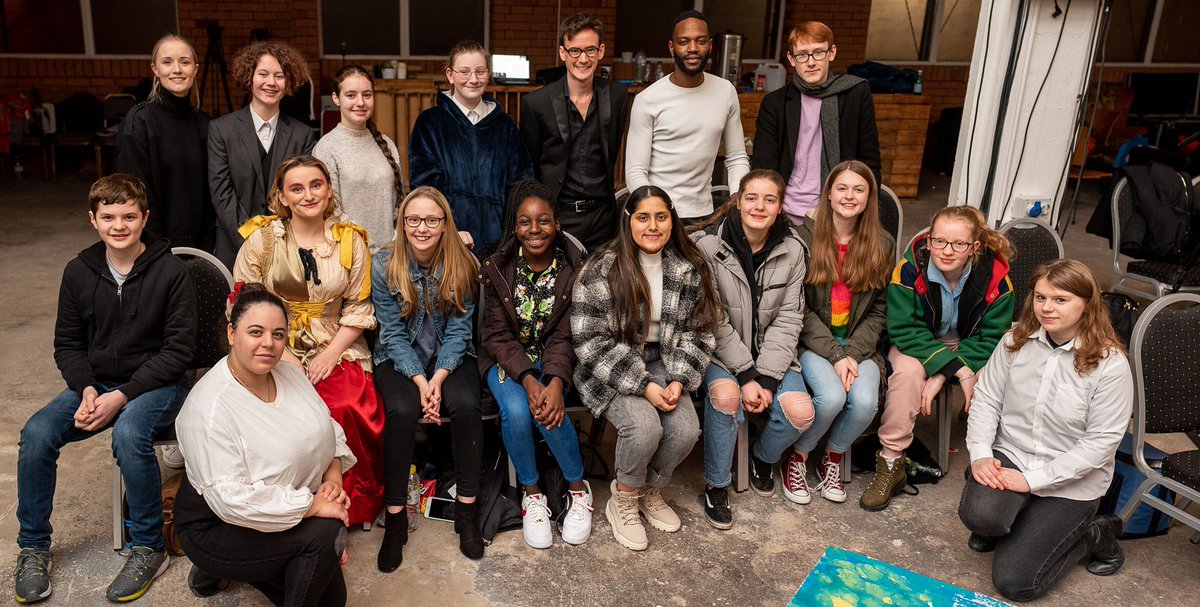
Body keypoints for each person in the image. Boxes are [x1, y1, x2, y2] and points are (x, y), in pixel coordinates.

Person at [15, 174, 196, 604]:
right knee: (37, 435)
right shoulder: (79, 271)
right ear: (93, 220)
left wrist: (122, 395)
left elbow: (179, 352)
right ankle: (34, 547)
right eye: (109, 216)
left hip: (160, 384)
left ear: (144, 218)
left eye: (129, 216)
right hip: (97, 385)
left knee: (129, 433)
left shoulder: (171, 271)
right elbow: (68, 344)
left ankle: (149, 547)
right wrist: (89, 390)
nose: (119, 225)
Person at [959, 259, 1131, 602]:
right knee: (979, 516)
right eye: (1040, 297)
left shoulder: (1110, 365)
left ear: (1087, 303)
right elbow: (987, 400)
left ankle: (1094, 534)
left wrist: (1031, 482)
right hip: (1013, 455)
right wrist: (980, 455)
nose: (1047, 308)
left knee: (1016, 583)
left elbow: (1100, 445)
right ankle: (1009, 520)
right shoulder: (1015, 341)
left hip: (1071, 480)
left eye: (1060, 299)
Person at [174, 283, 356, 606]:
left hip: (277, 503)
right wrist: (314, 506)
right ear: (232, 333)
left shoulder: (288, 373)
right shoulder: (209, 407)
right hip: (216, 524)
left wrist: (332, 479)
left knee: (333, 600)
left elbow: (326, 428)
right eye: (255, 332)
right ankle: (212, 564)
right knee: (326, 536)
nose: (268, 344)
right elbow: (232, 500)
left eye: (278, 334)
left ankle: (232, 572)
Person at [233, 155, 383, 529]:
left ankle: (347, 505)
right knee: (273, 414)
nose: (308, 195)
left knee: (346, 404)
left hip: (336, 339)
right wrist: (282, 353)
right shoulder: (262, 239)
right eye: (296, 188)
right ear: (282, 197)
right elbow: (242, 304)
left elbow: (359, 308)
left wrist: (331, 354)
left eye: (316, 185)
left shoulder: (350, 239)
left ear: (329, 189)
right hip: (271, 342)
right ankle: (289, 505)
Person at [572, 185, 721, 551]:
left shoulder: (689, 268)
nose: (652, 226)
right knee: (643, 427)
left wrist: (679, 379)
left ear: (672, 219)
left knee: (686, 429)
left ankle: (647, 490)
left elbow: (700, 330)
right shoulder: (601, 269)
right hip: (612, 366)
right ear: (628, 221)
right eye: (643, 217)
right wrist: (642, 384)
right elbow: (589, 340)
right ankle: (623, 498)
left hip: (667, 361)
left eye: (661, 216)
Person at [753, 160, 894, 506]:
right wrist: (835, 353)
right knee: (830, 398)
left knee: (864, 402)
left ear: (869, 198)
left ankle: (832, 457)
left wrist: (852, 353)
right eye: (842, 188)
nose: (849, 196)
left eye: (858, 189)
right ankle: (797, 458)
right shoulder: (802, 239)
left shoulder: (883, 244)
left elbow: (879, 310)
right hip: (813, 343)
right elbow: (798, 307)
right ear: (828, 194)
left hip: (859, 346)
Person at [862, 205, 1014, 512]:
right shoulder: (908, 270)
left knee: (1001, 374)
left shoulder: (998, 280)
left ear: (975, 247)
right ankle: (891, 462)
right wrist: (954, 367)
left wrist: (945, 374)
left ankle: (997, 460)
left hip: (970, 346)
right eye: (940, 241)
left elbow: (992, 339)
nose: (947, 251)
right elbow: (903, 329)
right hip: (916, 342)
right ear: (929, 240)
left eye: (958, 244)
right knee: (907, 375)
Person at [371, 186, 485, 569]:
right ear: (402, 223)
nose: (422, 228)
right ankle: (396, 520)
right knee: (401, 412)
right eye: (413, 219)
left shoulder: (462, 262)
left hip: (448, 359)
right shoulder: (384, 262)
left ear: (444, 223)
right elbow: (391, 333)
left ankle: (467, 511)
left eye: (432, 220)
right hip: (398, 358)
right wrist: (421, 383)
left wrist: (438, 378)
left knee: (467, 404)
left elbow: (459, 330)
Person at [690, 169, 809, 528]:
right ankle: (717, 484)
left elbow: (789, 318)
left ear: (780, 206)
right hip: (721, 352)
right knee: (727, 398)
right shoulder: (707, 246)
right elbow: (712, 318)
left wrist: (768, 379)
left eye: (769, 199)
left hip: (771, 354)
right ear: (739, 201)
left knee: (801, 412)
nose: (760, 206)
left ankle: (761, 456)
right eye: (752, 197)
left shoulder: (793, 250)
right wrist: (745, 374)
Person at [478, 180, 592, 549]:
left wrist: (555, 381)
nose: (534, 229)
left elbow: (568, 333)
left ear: (557, 224)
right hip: (507, 358)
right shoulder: (498, 266)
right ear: (515, 227)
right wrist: (529, 379)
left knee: (549, 406)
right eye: (525, 222)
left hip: (557, 357)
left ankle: (578, 488)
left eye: (543, 220)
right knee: (517, 408)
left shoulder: (575, 268)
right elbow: (495, 334)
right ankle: (532, 494)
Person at [624, 10, 750, 221]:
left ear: (710, 44)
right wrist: (655, 213)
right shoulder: (648, 99)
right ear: (672, 47)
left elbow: (737, 157)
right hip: (659, 216)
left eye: (700, 41)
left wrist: (739, 201)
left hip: (705, 215)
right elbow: (636, 172)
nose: (693, 48)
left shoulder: (725, 91)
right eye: (684, 41)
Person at [752, 21, 882, 225]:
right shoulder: (775, 103)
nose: (810, 62)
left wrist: (866, 216)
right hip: (785, 211)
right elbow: (763, 168)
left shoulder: (855, 93)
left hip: (839, 211)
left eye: (818, 52)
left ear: (832, 53)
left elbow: (869, 161)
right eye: (802, 55)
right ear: (791, 59)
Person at [409, 40, 533, 253]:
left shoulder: (505, 125)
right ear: (450, 75)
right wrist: (449, 228)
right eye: (464, 71)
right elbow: (426, 186)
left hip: (500, 243)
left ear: (488, 73)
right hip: (447, 240)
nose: (473, 79)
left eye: (480, 71)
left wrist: (509, 232)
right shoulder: (430, 123)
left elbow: (521, 182)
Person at [519, 13, 628, 251]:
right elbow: (532, 166)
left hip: (603, 217)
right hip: (559, 216)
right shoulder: (536, 103)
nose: (583, 59)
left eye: (590, 50)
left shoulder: (618, 96)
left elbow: (613, 149)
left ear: (601, 51)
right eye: (574, 51)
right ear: (562, 53)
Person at [209, 41, 317, 268]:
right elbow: (221, 192)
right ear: (249, 78)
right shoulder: (221, 130)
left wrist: (275, 240)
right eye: (263, 74)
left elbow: (300, 194)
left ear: (288, 82)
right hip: (234, 244)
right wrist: (251, 237)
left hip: (287, 247)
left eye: (279, 76)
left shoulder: (303, 135)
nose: (271, 82)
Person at [114, 34, 214, 251]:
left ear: (195, 70)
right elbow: (133, 193)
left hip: (202, 247)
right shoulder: (140, 121)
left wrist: (208, 242)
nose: (176, 69)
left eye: (184, 62)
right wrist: (159, 247)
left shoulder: (206, 125)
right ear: (155, 69)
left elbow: (212, 192)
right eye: (167, 62)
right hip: (155, 247)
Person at [314, 64, 404, 254]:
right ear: (336, 98)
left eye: (367, 95)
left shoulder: (386, 143)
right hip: (350, 255)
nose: (360, 102)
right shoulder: (326, 148)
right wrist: (364, 245)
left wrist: (395, 242)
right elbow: (330, 210)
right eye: (351, 95)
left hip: (391, 255)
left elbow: (399, 201)